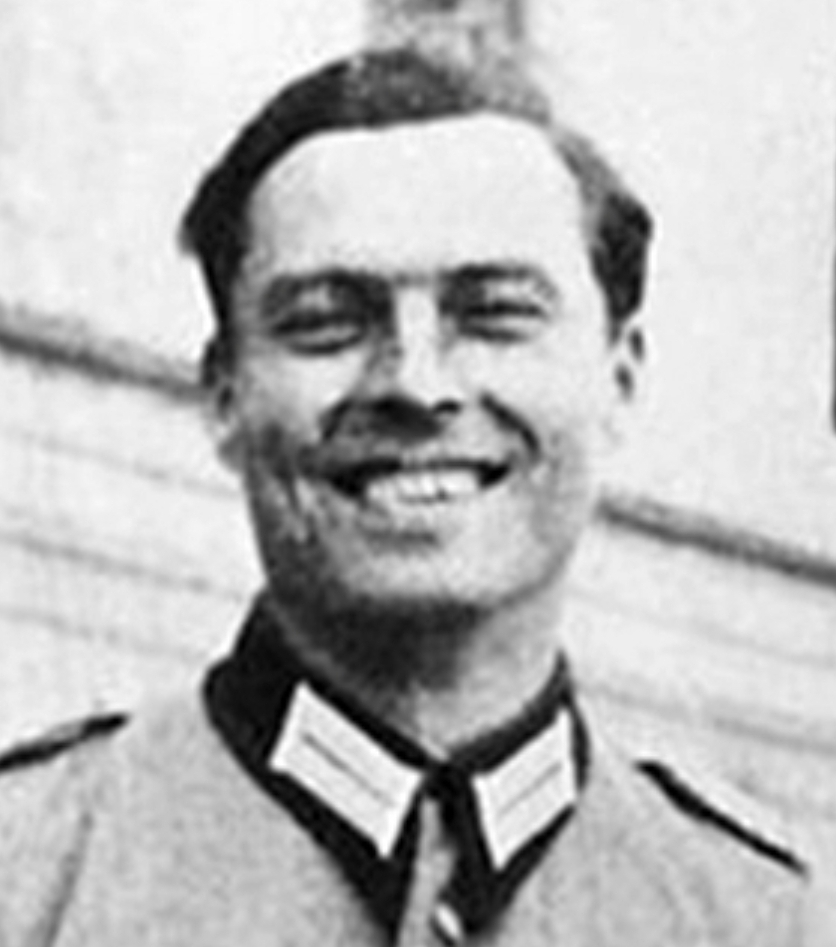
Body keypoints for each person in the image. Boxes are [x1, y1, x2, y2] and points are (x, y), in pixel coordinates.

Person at [0, 46, 816, 946]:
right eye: (326, 323)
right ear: (225, 394)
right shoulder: (30, 866)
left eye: (495, 314)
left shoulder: (761, 917)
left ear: (617, 379)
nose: (417, 385)